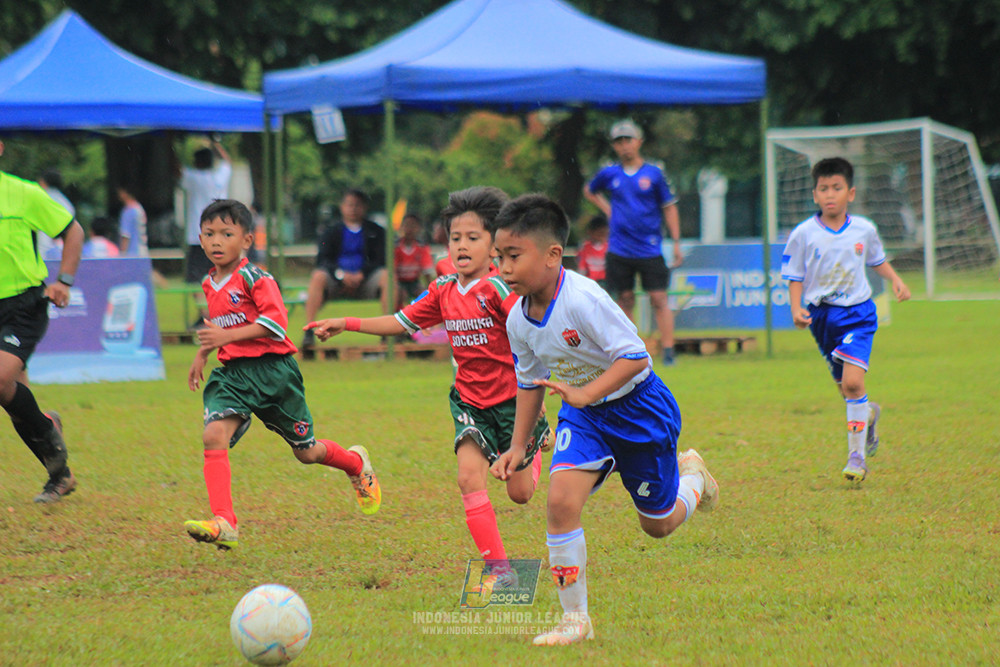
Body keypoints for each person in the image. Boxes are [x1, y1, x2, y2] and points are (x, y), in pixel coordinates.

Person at [489, 193, 718, 646]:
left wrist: (588, 391)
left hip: (640, 409)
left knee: (658, 525)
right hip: (584, 415)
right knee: (560, 504)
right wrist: (519, 446)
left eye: (514, 256)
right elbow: (530, 381)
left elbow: (636, 357)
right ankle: (576, 620)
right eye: (499, 257)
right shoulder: (517, 317)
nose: (503, 268)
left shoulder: (584, 299)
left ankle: (694, 479)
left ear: (553, 254)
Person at [306, 187, 550, 583]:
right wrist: (346, 323)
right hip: (470, 402)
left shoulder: (500, 291)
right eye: (455, 238)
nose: (462, 246)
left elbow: (533, 339)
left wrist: (536, 396)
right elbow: (401, 322)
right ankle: (499, 570)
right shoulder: (443, 290)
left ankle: (536, 442)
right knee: (469, 477)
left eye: (473, 238)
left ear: (495, 247)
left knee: (519, 494)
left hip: (513, 402)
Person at [184, 199, 382, 550]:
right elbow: (218, 325)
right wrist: (203, 353)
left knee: (306, 452)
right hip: (234, 375)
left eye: (227, 234)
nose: (217, 241)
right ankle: (224, 522)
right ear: (200, 239)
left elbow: (275, 324)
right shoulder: (208, 283)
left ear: (246, 240)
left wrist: (225, 337)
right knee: (213, 434)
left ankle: (355, 463)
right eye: (210, 234)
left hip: (275, 374)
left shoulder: (255, 278)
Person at [781, 157, 911, 482]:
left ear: (850, 193)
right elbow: (794, 275)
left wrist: (896, 279)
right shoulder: (804, 234)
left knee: (854, 384)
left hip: (858, 314)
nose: (830, 194)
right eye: (823, 188)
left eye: (836, 188)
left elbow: (877, 260)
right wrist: (796, 309)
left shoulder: (864, 230)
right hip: (823, 318)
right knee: (847, 391)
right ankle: (867, 415)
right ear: (814, 195)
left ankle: (856, 458)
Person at [1, 140, 85, 503]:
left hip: (22, 305)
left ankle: (54, 452)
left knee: (0, 379)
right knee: (11, 395)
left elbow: (73, 232)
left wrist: (63, 281)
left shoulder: (23, 193)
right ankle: (60, 474)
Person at [583, 119, 683, 366]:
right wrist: (607, 209)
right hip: (619, 248)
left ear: (639, 141)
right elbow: (590, 190)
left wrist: (677, 241)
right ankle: (633, 350)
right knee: (624, 299)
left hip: (649, 247)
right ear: (614, 146)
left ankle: (668, 350)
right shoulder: (610, 173)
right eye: (619, 141)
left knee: (659, 298)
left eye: (628, 139)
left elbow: (669, 207)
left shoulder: (654, 173)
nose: (624, 145)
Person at [301, 189, 387, 350]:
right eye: (350, 205)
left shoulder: (376, 231)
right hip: (337, 280)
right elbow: (323, 260)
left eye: (358, 205)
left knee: (387, 277)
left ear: (364, 208)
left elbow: (381, 259)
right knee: (318, 276)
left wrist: (362, 273)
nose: (353, 209)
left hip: (366, 279)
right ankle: (308, 331)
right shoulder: (330, 231)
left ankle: (387, 332)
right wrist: (341, 275)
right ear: (342, 207)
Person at [178, 139, 232, 328]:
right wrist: (215, 141)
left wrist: (173, 143)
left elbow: (176, 170)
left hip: (198, 235)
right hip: (221, 235)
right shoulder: (220, 177)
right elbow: (227, 161)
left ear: (198, 162)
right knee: (217, 277)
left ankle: (206, 317)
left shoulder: (193, 177)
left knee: (195, 279)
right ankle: (215, 315)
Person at [394, 213, 435, 309]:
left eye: (413, 225)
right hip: (400, 282)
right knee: (399, 294)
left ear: (419, 228)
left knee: (424, 294)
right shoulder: (396, 248)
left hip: (414, 282)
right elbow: (393, 272)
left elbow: (427, 271)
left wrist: (430, 290)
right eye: (407, 225)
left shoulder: (422, 248)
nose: (410, 229)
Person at [36, 169, 75, 261]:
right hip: (62, 246)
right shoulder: (65, 202)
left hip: (43, 245)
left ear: (43, 182)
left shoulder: (41, 198)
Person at [575, 215, 609, 290]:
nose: (601, 238)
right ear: (590, 232)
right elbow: (581, 268)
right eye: (599, 234)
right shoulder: (585, 248)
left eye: (604, 234)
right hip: (589, 284)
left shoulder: (608, 248)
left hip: (605, 284)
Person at [116, 185, 148, 257]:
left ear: (125, 193)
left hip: (132, 255)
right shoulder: (139, 208)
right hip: (143, 252)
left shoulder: (128, 211)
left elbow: (125, 236)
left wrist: (122, 257)